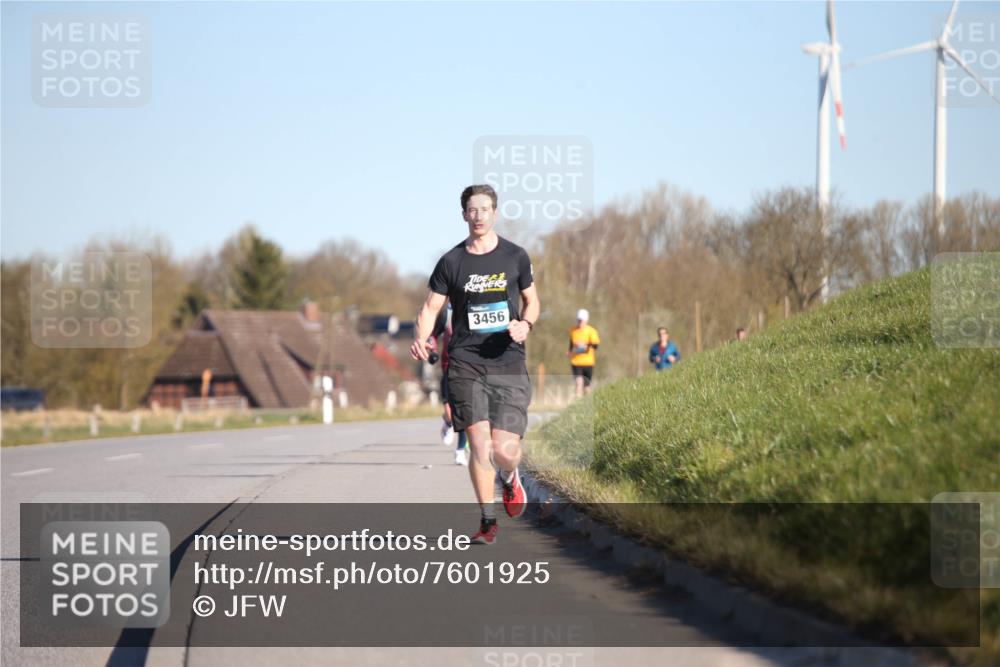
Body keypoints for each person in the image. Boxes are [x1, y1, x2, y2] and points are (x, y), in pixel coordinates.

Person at [410, 184, 539, 545]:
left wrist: (525, 324)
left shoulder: (516, 257)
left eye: (485, 208)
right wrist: (422, 337)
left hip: (508, 362)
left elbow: (533, 302)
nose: (479, 215)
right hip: (466, 364)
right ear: (464, 214)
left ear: (495, 213)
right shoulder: (451, 262)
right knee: (479, 446)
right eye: (472, 209)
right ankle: (487, 520)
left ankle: (511, 480)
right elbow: (430, 309)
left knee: (504, 450)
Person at [439, 306, 470, 465]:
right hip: (448, 368)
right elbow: (431, 333)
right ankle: (448, 422)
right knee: (450, 414)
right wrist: (429, 347)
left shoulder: (473, 309)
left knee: (464, 413)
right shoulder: (446, 313)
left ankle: (459, 452)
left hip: (467, 370)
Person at [568, 309, 600, 397]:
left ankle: (586, 404)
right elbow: (571, 342)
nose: (579, 322)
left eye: (581, 320)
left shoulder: (591, 331)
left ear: (586, 320)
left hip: (588, 362)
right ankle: (578, 404)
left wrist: (585, 345)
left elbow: (595, 345)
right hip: (576, 362)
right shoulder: (572, 330)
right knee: (578, 383)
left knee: (587, 386)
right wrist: (570, 351)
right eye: (578, 320)